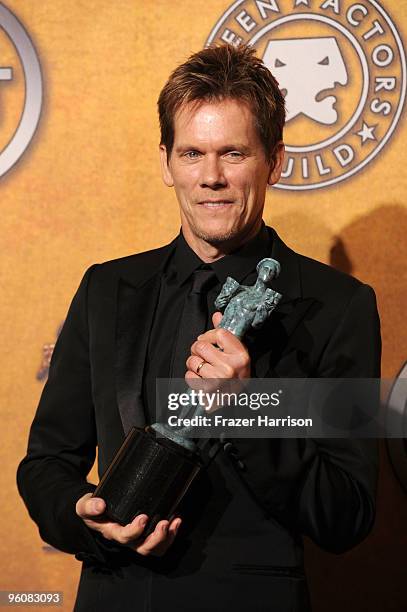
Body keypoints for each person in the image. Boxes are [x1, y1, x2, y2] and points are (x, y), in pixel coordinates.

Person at [17, 44, 381, 612]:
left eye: (233, 153)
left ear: (275, 161)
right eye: (192, 153)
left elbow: (346, 514)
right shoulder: (106, 289)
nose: (210, 177)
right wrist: (87, 522)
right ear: (167, 163)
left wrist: (248, 405)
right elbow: (47, 464)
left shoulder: (336, 307)